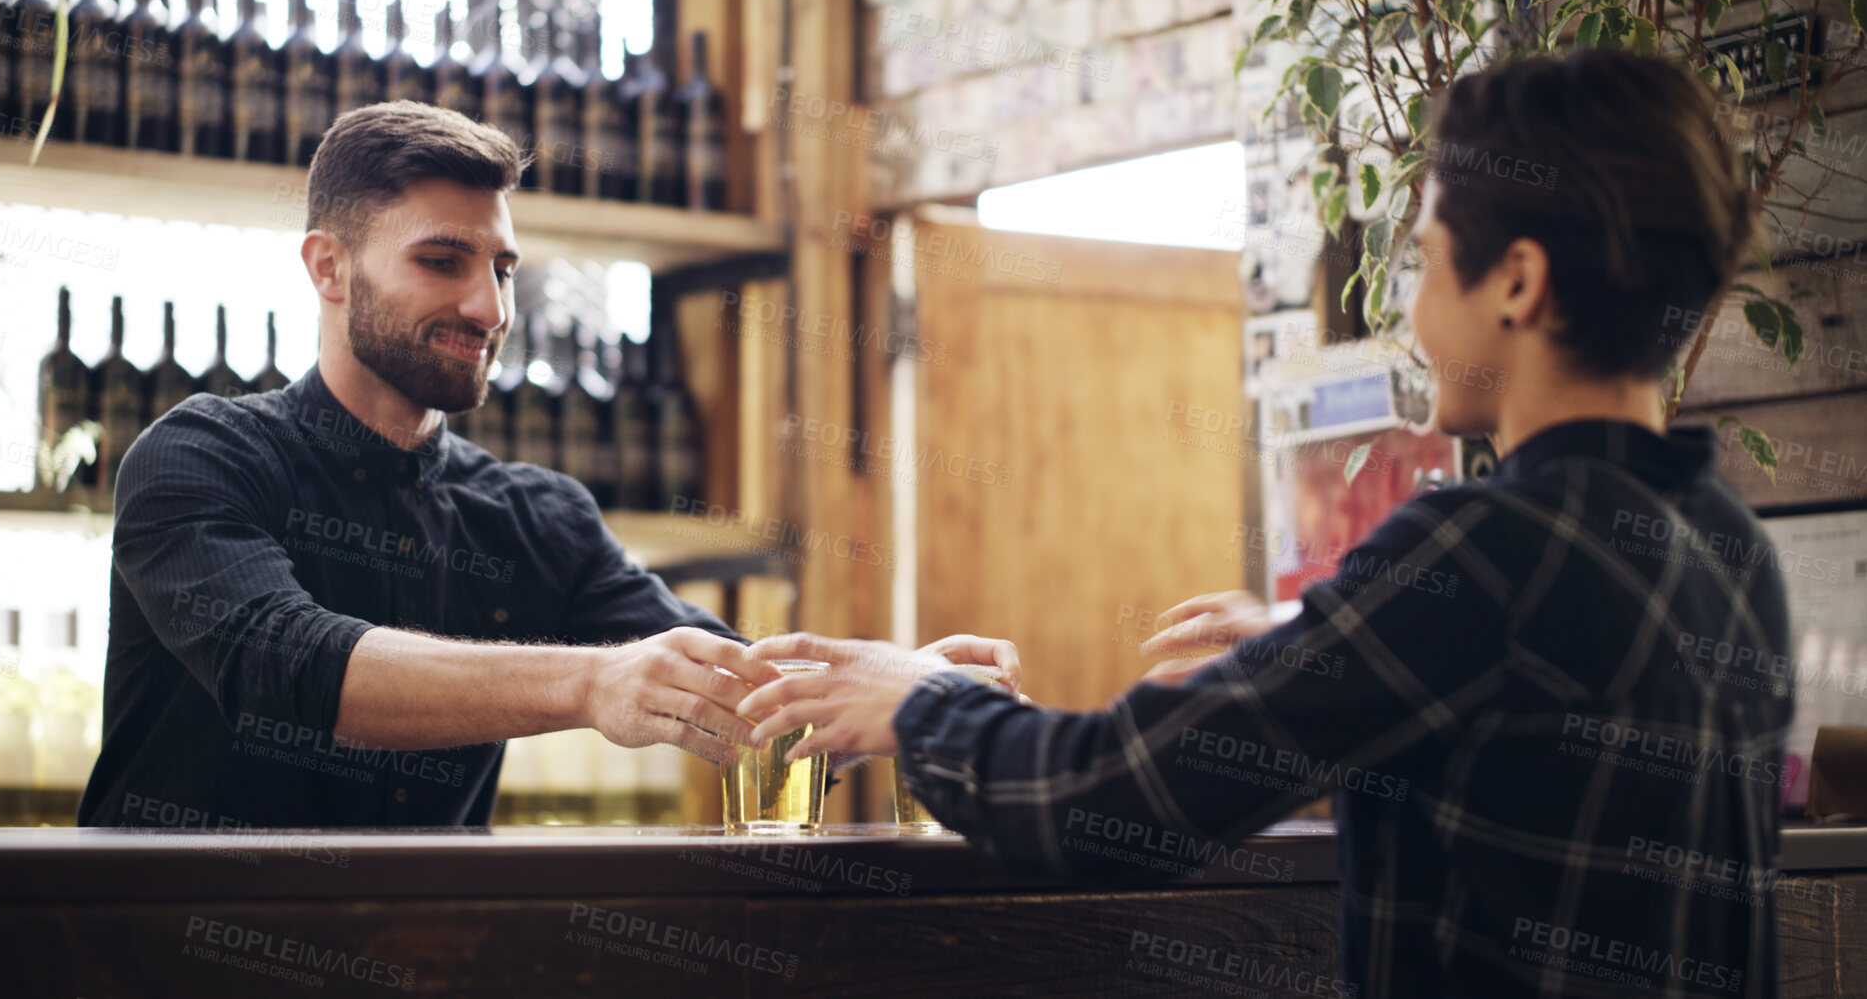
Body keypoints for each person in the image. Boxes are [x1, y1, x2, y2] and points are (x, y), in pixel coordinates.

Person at [737, 50, 1790, 997]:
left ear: (1516, 281)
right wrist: (1323, 646)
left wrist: (923, 704)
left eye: (1422, 263)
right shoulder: (1728, 544)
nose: (1412, 314)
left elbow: (1110, 798)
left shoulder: (1488, 552)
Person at [79, 102, 790, 828]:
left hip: (435, 940)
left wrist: (898, 690)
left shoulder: (540, 519)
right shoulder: (198, 456)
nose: (489, 309)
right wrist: (592, 680)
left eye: (503, 271)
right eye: (441, 262)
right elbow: (287, 666)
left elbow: (752, 696)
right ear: (330, 267)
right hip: (162, 934)